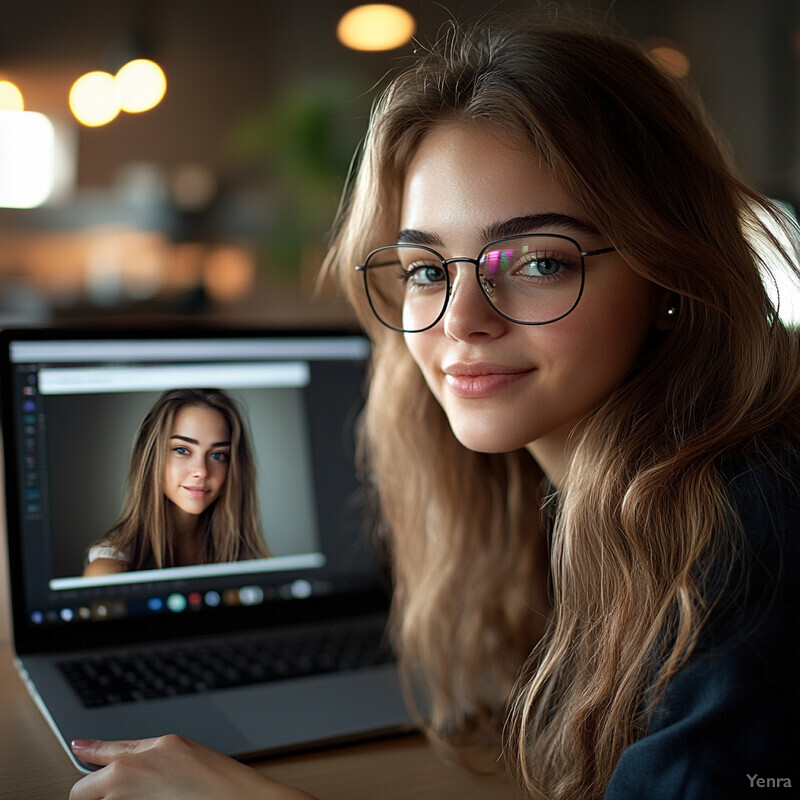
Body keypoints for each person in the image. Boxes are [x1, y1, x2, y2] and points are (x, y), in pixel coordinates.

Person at [69, 16, 800, 800]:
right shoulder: (550, 503)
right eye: (425, 269)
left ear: (667, 272)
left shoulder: (748, 532)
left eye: (538, 261)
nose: (460, 320)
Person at [83, 388, 270, 577]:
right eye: (182, 450)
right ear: (151, 456)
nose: (202, 471)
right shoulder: (109, 570)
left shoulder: (246, 557)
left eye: (217, 455)